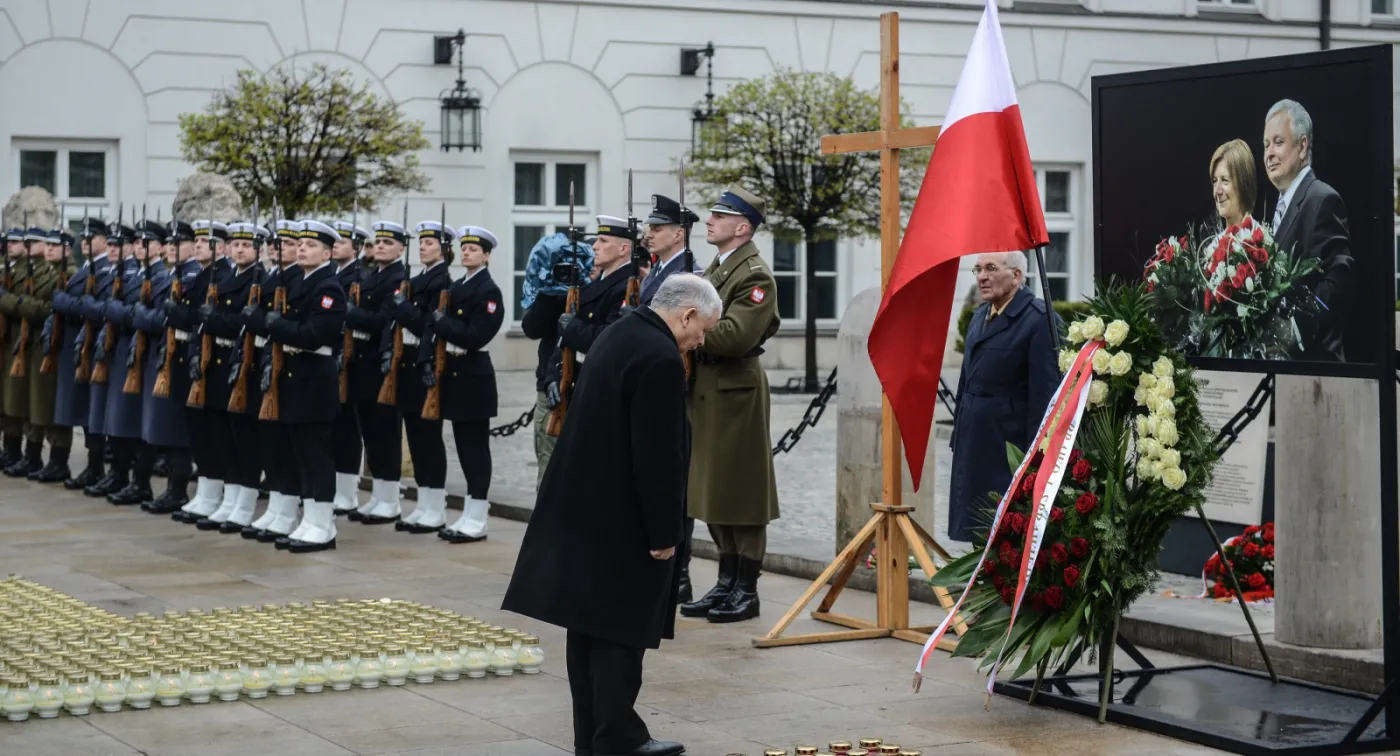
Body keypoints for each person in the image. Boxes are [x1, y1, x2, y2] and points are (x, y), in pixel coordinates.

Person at [503, 273, 722, 756]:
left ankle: (595, 737)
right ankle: (620, 738)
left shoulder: (618, 333)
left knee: (588, 630)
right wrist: (664, 532)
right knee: (622, 633)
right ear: (687, 314)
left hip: (588, 511)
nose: (701, 341)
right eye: (702, 330)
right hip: (625, 519)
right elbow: (656, 455)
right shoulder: (659, 356)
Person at [680, 184, 780, 625]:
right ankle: (725, 581)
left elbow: (736, 336)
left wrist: (685, 327)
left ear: (742, 227)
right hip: (708, 389)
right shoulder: (716, 269)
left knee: (742, 492)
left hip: (736, 394)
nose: (709, 220)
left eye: (719, 216)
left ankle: (747, 588)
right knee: (712, 489)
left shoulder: (754, 276)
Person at [948, 251, 1060, 542]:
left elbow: (1044, 398)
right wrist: (958, 434)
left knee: (1006, 541)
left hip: (1007, 450)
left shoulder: (1038, 320)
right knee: (976, 535)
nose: (982, 277)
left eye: (990, 268)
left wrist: (1034, 461)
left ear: (1016, 276)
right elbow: (966, 381)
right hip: (973, 445)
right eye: (978, 269)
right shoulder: (980, 316)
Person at [259, 219, 347, 553]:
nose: (302, 250)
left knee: (317, 456)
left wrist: (278, 326)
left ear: (327, 253)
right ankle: (310, 520)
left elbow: (313, 335)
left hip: (314, 379)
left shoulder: (328, 289)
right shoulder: (300, 282)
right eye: (300, 245)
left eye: (311, 246)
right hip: (295, 377)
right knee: (301, 455)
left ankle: (323, 524)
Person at [639, 194, 702, 602]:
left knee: (675, 473)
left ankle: (680, 573)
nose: (650, 233)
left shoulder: (686, 275)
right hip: (652, 372)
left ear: (679, 234)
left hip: (673, 376)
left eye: (658, 228)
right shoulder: (657, 271)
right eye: (650, 227)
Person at [1262, 98, 1353, 362]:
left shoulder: (1321, 198)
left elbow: (1340, 280)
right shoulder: (1274, 208)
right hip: (1280, 369)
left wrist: (1294, 329)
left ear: (1302, 147)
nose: (1269, 153)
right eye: (1266, 145)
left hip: (1316, 368)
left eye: (1278, 142)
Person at [190, 220, 266, 531]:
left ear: (259, 250)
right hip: (217, 362)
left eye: (246, 245)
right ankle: (228, 499)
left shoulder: (260, 282)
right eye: (236, 244)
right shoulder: (224, 279)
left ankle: (244, 505)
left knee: (244, 440)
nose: (239, 250)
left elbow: (243, 325)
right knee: (220, 436)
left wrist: (215, 321)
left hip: (241, 363)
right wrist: (196, 351)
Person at [431, 225, 505, 544]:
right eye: (464, 248)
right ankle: (468, 513)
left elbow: (476, 335)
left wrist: (442, 323)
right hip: (454, 373)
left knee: (475, 450)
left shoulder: (488, 292)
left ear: (487, 256)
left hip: (473, 376)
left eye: (473, 249)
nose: (466, 253)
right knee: (462, 447)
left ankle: (478, 516)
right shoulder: (458, 286)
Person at [240, 220, 305, 542]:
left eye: (287, 243)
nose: (277, 249)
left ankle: (287, 509)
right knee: (269, 442)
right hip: (262, 362)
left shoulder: (296, 280)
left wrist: (261, 320)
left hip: (285, 365)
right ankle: (277, 506)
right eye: (274, 244)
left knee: (284, 444)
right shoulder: (268, 278)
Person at [389, 221, 453, 534]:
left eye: (429, 243)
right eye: (421, 242)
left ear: (445, 249)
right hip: (408, 362)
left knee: (429, 438)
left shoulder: (443, 282)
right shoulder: (415, 280)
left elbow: (428, 324)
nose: (423, 247)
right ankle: (424, 503)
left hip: (426, 362)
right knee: (415, 437)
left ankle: (436, 506)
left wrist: (403, 310)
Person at [345, 220, 408, 524]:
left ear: (401, 249)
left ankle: (390, 499)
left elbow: (383, 320)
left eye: (388, 242)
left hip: (381, 363)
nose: (381, 246)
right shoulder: (372, 276)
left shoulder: (398, 279)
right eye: (378, 242)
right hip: (362, 363)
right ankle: (379, 495)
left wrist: (351, 314)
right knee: (370, 432)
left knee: (385, 433)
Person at [134, 220, 198, 514]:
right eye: (170, 243)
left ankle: (177, 491)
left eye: (178, 243)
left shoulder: (192, 276)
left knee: (176, 429)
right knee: (165, 427)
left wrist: (141, 314)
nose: (172, 248)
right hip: (164, 356)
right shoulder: (173, 274)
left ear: (193, 246)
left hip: (180, 357)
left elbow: (166, 319)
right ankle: (172, 489)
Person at [168, 220, 230, 524]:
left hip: (212, 362)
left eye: (207, 241)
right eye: (199, 240)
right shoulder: (201, 276)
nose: (200, 245)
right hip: (191, 358)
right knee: (199, 433)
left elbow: (200, 319)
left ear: (222, 248)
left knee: (214, 434)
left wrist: (179, 313)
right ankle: (206, 493)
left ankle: (216, 494)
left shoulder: (222, 276)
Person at [519, 232, 593, 487]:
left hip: (583, 385)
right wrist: (550, 291)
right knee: (548, 467)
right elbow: (532, 328)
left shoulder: (595, 290)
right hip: (550, 383)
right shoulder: (552, 292)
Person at [543, 215, 636, 415]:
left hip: (602, 388)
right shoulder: (594, 284)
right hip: (578, 382)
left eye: (603, 241)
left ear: (623, 249)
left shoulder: (626, 287)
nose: (594, 246)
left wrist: (572, 328)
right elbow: (563, 343)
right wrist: (552, 376)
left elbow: (608, 339)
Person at [53, 217, 115, 491]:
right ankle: (93, 466)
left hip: (91, 345)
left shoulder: (106, 269)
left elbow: (96, 306)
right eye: (84, 238)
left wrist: (65, 302)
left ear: (104, 241)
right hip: (77, 345)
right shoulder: (86, 268)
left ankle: (96, 466)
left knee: (92, 409)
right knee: (82, 408)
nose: (85, 242)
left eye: (92, 238)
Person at [100, 221, 153, 506]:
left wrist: (117, 310)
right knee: (119, 418)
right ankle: (119, 474)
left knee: (136, 421)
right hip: (123, 351)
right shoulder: (132, 275)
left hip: (141, 353)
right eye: (137, 243)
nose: (139, 248)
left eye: (145, 243)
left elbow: (138, 313)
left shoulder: (156, 276)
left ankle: (140, 482)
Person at [22, 225, 73, 484]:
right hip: (40, 346)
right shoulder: (45, 271)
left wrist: (19, 303)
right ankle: (33, 455)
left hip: (57, 346)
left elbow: (50, 307)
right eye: (48, 245)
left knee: (55, 405)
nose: (49, 249)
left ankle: (58, 460)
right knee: (38, 402)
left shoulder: (69, 274)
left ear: (67, 250)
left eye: (54, 246)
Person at [329, 220, 368, 514]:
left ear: (357, 248)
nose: (335, 246)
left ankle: (348, 490)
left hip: (352, 361)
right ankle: (336, 487)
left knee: (348, 429)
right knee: (334, 427)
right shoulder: (333, 275)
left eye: (342, 242)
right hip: (331, 357)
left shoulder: (361, 277)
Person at [0, 226, 37, 477]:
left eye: (15, 241)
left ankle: (18, 451)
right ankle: (9, 449)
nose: (9, 245)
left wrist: (5, 299)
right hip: (6, 341)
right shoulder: (7, 268)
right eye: (8, 242)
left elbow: (23, 304)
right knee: (6, 397)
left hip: (19, 340)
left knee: (17, 398)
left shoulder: (28, 271)